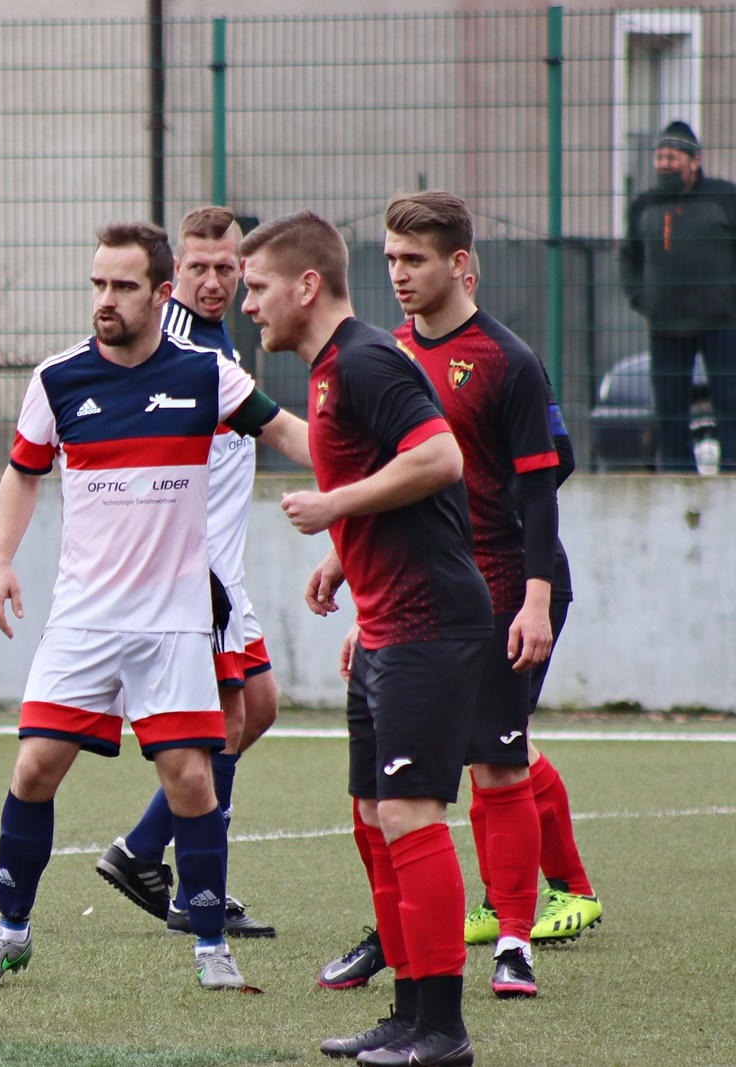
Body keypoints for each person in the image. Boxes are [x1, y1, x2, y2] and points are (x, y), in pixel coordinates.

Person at [0, 222, 307, 994]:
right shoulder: (57, 378)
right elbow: (22, 471)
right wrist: (0, 561)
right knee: (34, 768)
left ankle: (210, 947)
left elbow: (287, 432)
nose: (105, 300)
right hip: (82, 619)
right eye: (98, 284)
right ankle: (10, 931)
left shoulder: (207, 374)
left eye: (122, 285)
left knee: (191, 779)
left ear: (160, 292)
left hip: (174, 623)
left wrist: (375, 473)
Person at [318, 228, 601, 997]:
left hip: (506, 580)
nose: (398, 273)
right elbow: (391, 478)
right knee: (394, 777)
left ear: (460, 264)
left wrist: (536, 599)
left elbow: (542, 487)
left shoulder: (508, 358)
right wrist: (350, 571)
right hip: (419, 585)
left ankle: (514, 942)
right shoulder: (387, 356)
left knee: (498, 757)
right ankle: (398, 935)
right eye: (390, 259)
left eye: (414, 259)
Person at [251, 210, 489, 1066]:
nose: (248, 304)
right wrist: (345, 562)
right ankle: (407, 1012)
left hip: (430, 621)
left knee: (409, 814)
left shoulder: (363, 359)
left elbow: (440, 458)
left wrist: (333, 510)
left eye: (258, 287)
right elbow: (366, 467)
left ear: (306, 285)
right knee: (371, 815)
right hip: (385, 621)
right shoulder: (329, 371)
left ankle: (444, 1030)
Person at [94, 206, 307, 941]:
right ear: (173, 273)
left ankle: (143, 849)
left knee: (259, 706)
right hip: (196, 573)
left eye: (227, 269)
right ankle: (191, 887)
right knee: (227, 721)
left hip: (224, 570)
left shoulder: (220, 339)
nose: (214, 282)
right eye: (199, 268)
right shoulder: (174, 348)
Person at [621, 120, 736, 472]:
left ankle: (732, 472)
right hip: (665, 325)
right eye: (660, 158)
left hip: (721, 324)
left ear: (694, 161)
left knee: (729, 403)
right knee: (670, 411)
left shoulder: (724, 198)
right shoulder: (644, 206)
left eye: (672, 158)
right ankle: (676, 476)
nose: (664, 165)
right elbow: (628, 258)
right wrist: (643, 299)